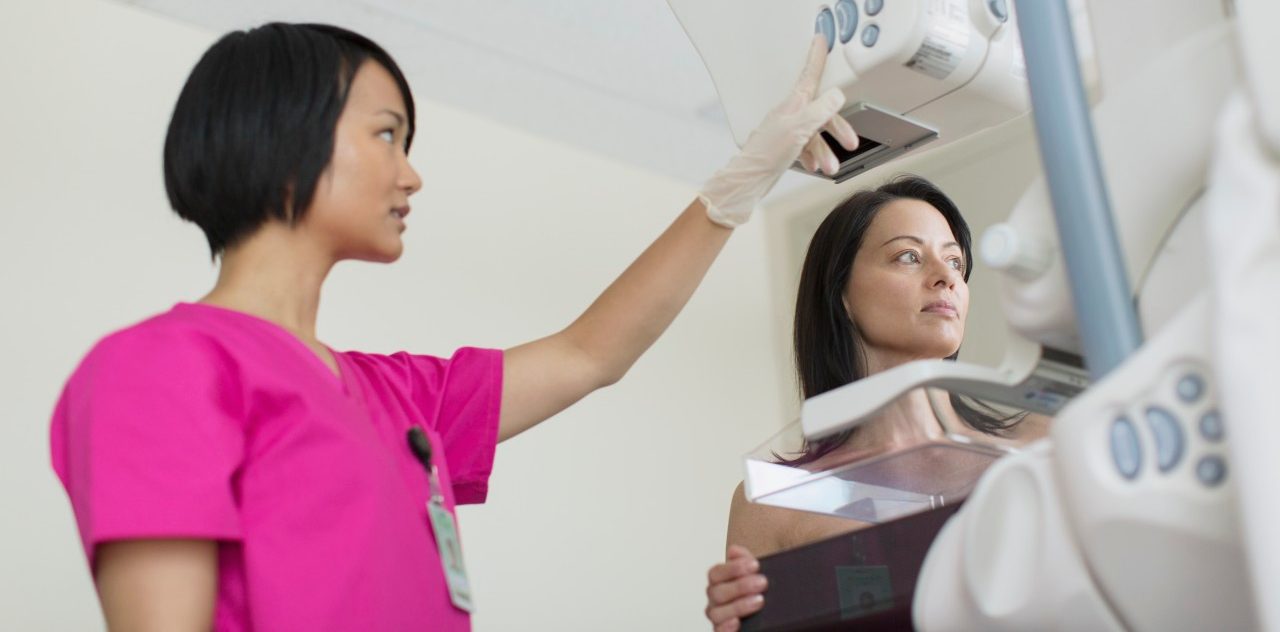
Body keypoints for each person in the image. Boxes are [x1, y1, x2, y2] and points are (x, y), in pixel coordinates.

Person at [48, 23, 859, 631]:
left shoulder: (397, 396)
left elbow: (591, 352)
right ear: (282, 136)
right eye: (387, 134)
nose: (411, 173)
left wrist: (739, 186)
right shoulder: (159, 369)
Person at [702, 175, 1048, 631]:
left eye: (954, 261)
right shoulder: (770, 503)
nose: (946, 277)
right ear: (842, 294)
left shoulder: (1042, 445)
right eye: (908, 256)